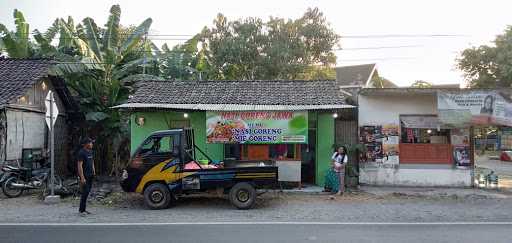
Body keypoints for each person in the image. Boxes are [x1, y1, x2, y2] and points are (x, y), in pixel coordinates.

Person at [77, 137, 95, 216]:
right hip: (85, 176)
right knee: (85, 192)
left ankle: (84, 209)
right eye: (90, 143)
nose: (92, 144)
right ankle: (81, 210)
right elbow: (79, 166)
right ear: (86, 144)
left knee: (87, 192)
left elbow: (92, 161)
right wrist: (82, 177)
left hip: (91, 175)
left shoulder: (90, 151)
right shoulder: (81, 153)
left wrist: (94, 170)